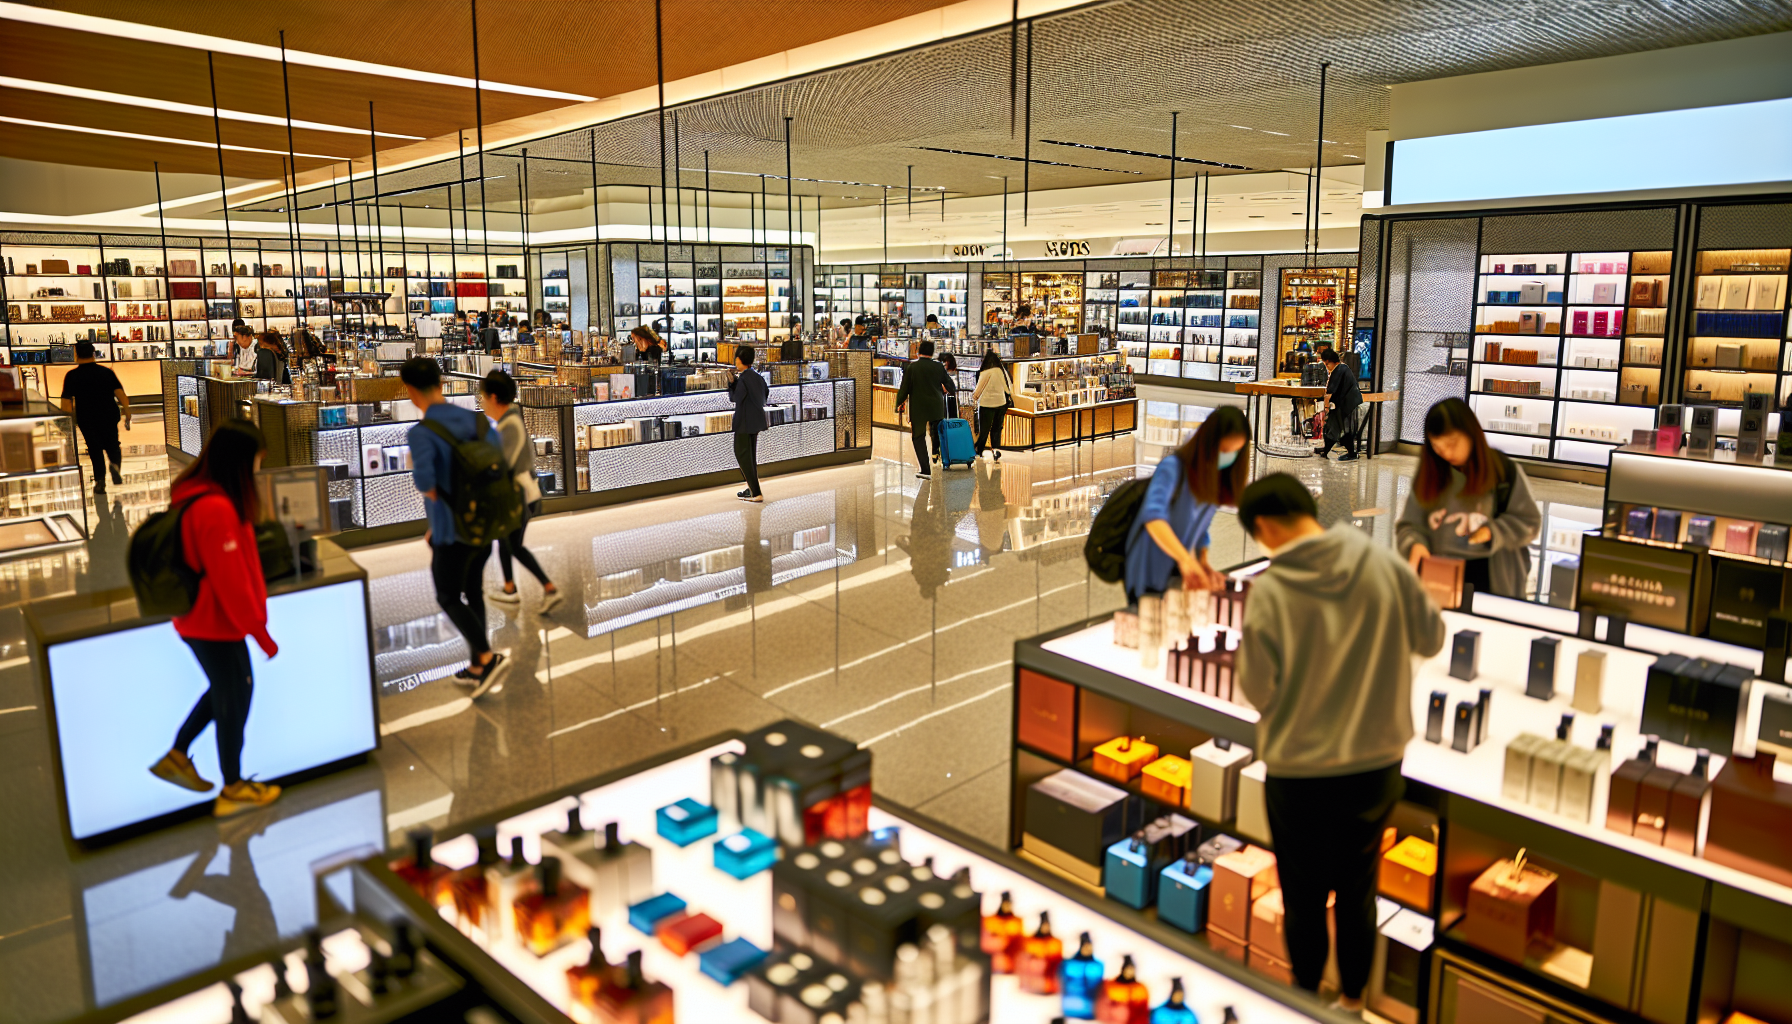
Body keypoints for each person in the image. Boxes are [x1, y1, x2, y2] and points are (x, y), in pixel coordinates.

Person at [1232, 472, 1445, 1011]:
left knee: (1302, 895)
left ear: (1265, 528)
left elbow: (1257, 687)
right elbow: (1431, 636)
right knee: (1357, 888)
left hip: (1299, 768)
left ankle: (1304, 1003)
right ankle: (1353, 1002)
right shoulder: (1382, 563)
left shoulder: (1273, 590)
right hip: (1375, 763)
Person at [147, 419, 285, 817]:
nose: (258, 470)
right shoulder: (215, 508)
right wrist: (261, 635)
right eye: (257, 461)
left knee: (229, 691)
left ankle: (178, 754)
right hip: (213, 622)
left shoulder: (197, 493)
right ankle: (233, 786)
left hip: (203, 619)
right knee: (234, 697)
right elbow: (231, 583)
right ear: (240, 463)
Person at [401, 357, 510, 697]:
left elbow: (428, 485)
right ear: (441, 383)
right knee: (473, 590)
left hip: (452, 529)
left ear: (410, 392)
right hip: (486, 520)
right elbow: (498, 464)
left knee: (448, 594)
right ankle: (478, 662)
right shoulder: (475, 421)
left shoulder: (421, 433)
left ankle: (488, 657)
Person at [1397, 397, 1541, 600]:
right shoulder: (1431, 474)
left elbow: (1530, 522)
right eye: (1437, 447)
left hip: (1493, 578)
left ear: (1471, 434)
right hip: (1440, 576)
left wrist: (1493, 531)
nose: (1446, 453)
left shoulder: (1502, 472)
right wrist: (1415, 544)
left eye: (1452, 444)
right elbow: (1409, 525)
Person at [1123, 406, 1248, 601]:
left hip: (1176, 573)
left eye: (1234, 452)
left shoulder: (1214, 479)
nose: (1227, 458)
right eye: (1224, 450)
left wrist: (1203, 563)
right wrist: (1186, 560)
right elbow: (1153, 518)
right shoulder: (1173, 468)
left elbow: (1201, 529)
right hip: (1148, 570)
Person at [480, 370, 563, 613]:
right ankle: (510, 589)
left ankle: (547, 588)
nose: (482, 402)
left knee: (511, 544)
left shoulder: (510, 425)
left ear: (494, 397)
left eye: (483, 396)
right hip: (517, 495)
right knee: (507, 542)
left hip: (517, 496)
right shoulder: (509, 421)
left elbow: (502, 464)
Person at [58, 340, 129, 492]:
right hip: (109, 414)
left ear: (76, 355)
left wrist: (66, 421)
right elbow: (120, 394)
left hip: (86, 417)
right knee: (112, 444)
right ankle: (115, 466)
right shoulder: (106, 372)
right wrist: (127, 412)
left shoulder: (72, 376)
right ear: (93, 354)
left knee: (94, 449)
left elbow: (66, 401)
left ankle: (100, 481)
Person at [893, 339, 953, 480]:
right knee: (938, 433)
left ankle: (925, 469)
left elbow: (904, 388)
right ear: (932, 353)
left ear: (919, 351)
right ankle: (940, 457)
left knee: (918, 436)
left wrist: (899, 403)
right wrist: (950, 392)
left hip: (918, 408)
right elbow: (949, 384)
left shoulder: (912, 368)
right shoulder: (939, 367)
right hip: (936, 407)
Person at [728, 344, 770, 502]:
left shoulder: (743, 379)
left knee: (742, 455)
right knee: (750, 456)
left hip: (744, 421)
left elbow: (735, 398)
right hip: (756, 419)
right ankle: (751, 488)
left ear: (739, 360)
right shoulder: (757, 376)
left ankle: (756, 492)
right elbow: (765, 392)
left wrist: (732, 384)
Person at [1317, 347, 1363, 460]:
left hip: (1346, 406)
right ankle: (1329, 451)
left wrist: (1326, 408)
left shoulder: (1338, 370)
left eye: (1326, 365)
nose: (1327, 368)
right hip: (1349, 405)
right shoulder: (1344, 368)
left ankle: (1329, 452)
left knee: (1335, 428)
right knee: (1341, 430)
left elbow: (1330, 392)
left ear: (1329, 361)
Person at [970, 349, 1011, 460]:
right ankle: (996, 450)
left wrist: (974, 398)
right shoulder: (1001, 371)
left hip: (987, 404)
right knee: (997, 428)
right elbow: (1008, 389)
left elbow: (978, 390)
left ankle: (979, 450)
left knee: (985, 429)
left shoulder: (985, 372)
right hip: (1001, 403)